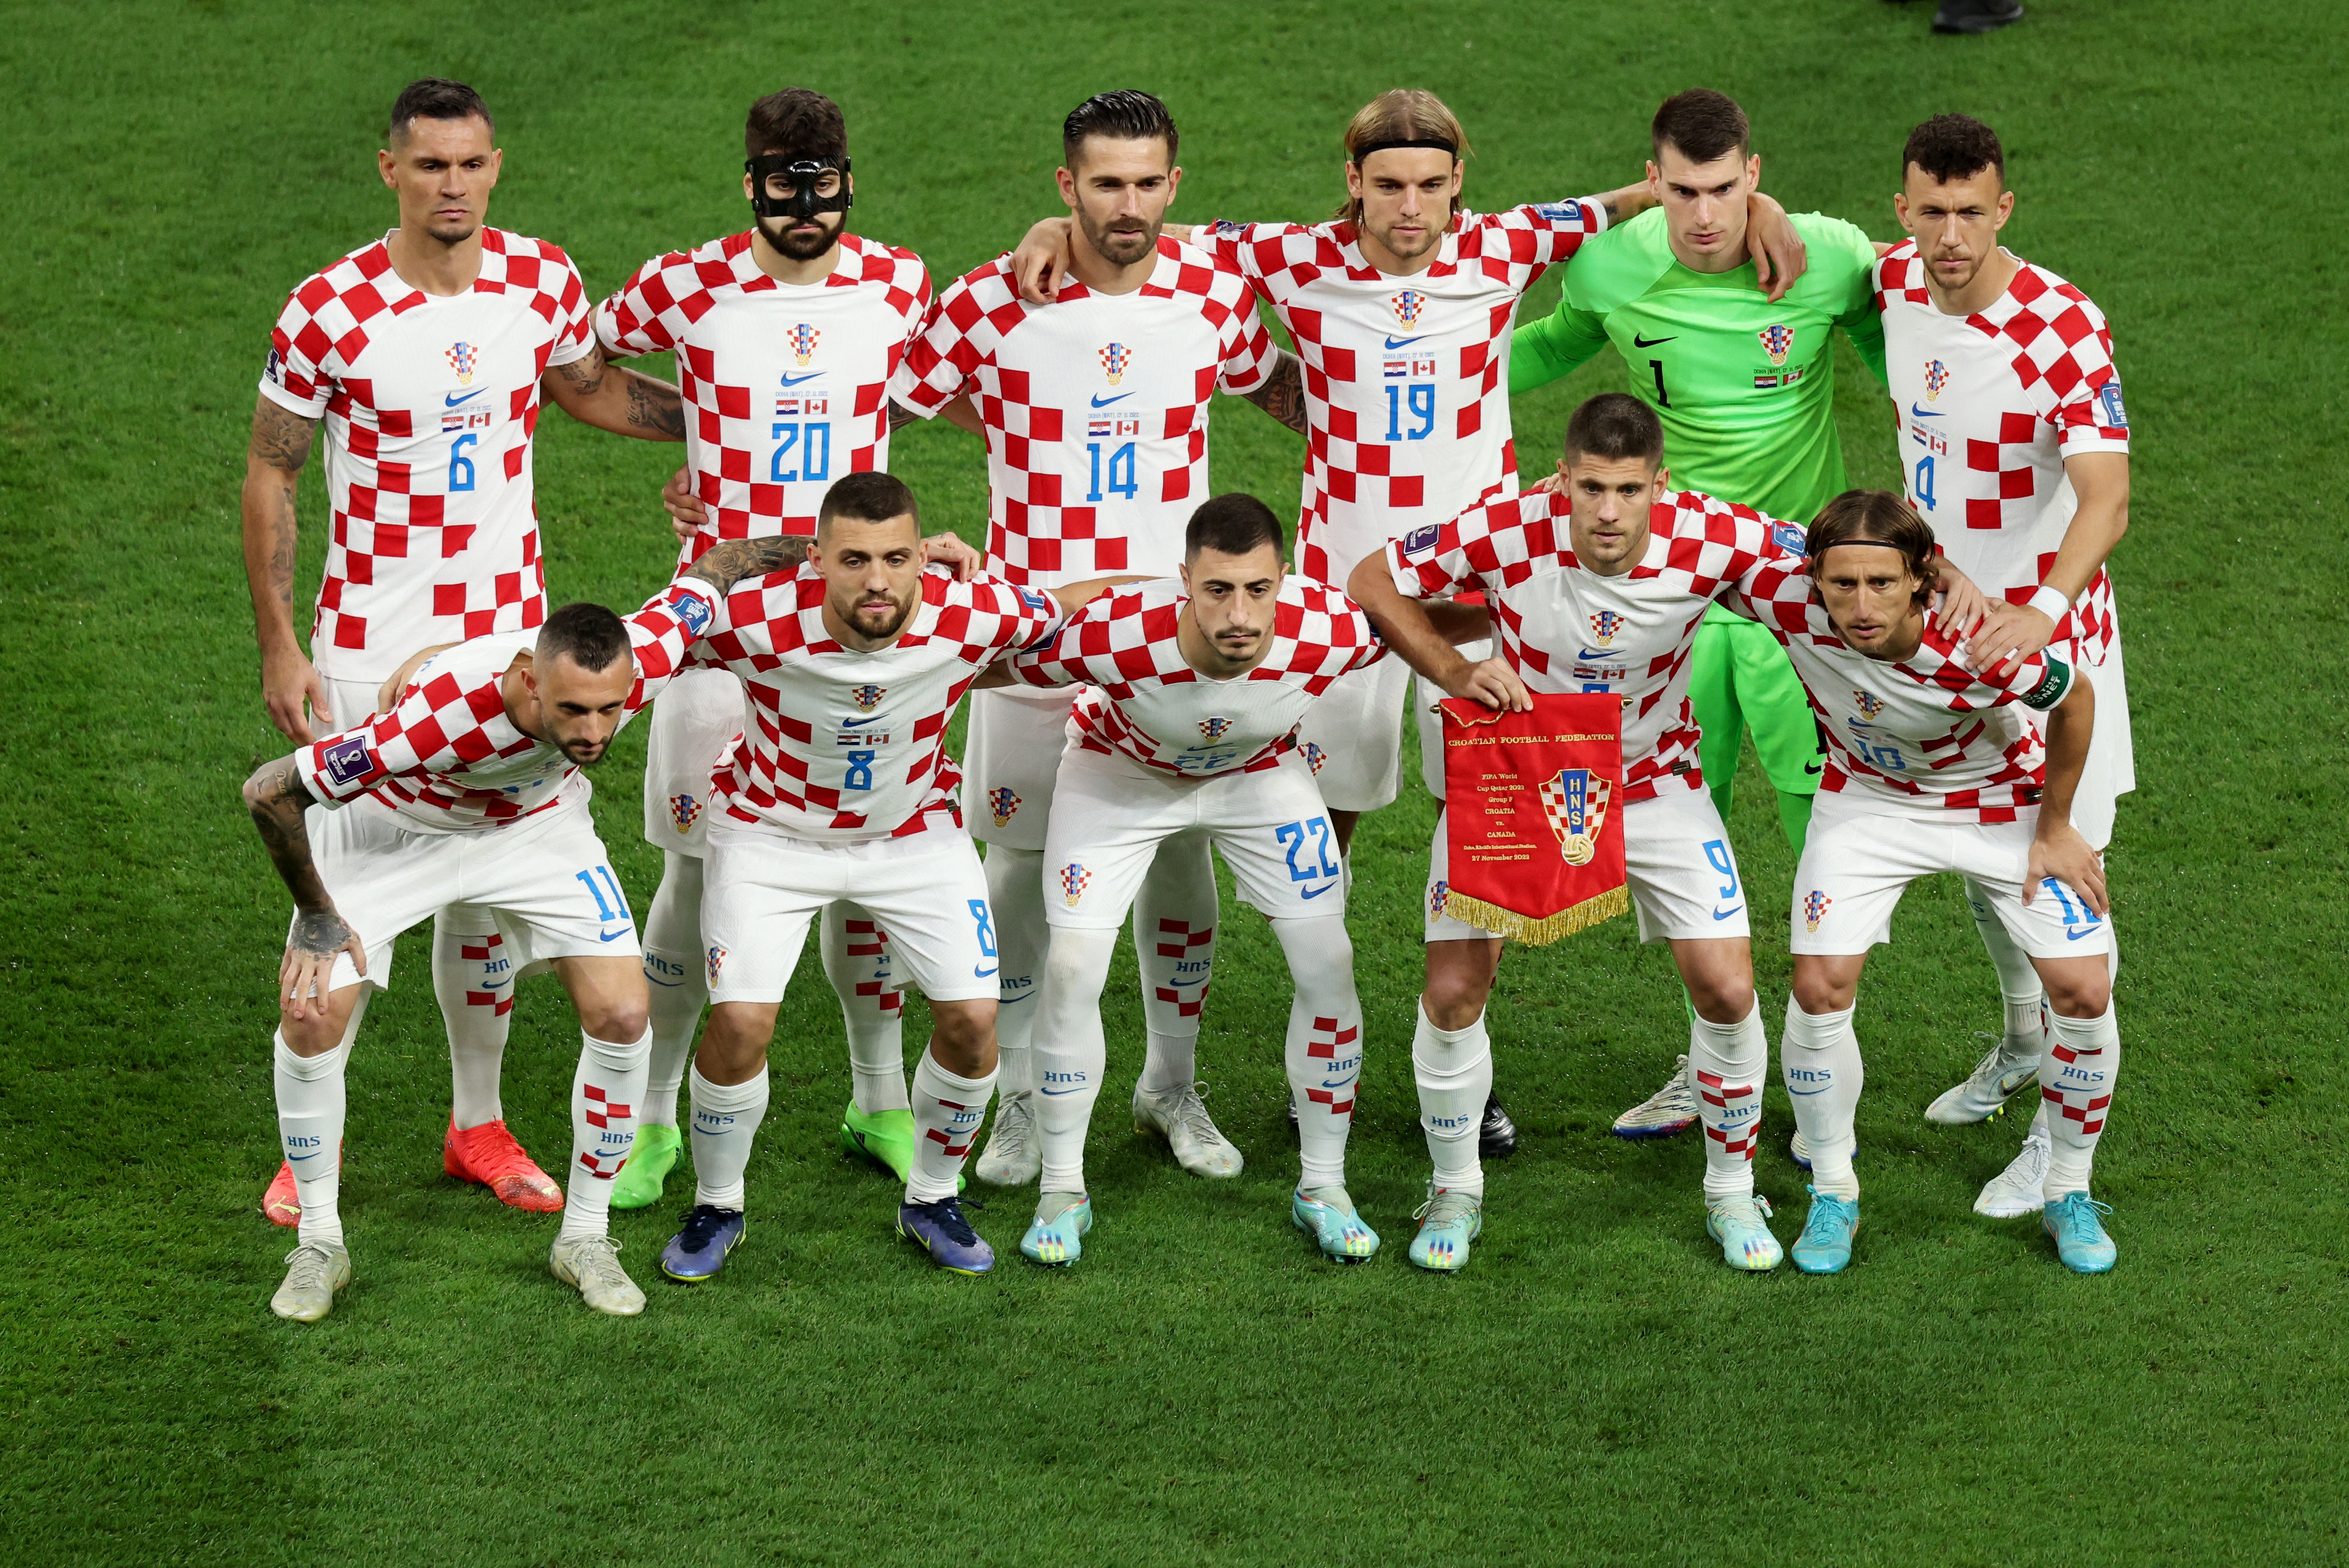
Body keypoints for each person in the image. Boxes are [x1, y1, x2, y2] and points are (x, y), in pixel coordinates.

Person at [1009, 88, 1793, 1156]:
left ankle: (1477, 1071)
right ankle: (1318, 1062)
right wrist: (1056, 227)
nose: (1410, 207)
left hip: (1476, 609)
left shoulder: (1509, 244)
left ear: (1458, 182)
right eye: (1388, 186)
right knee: (1316, 827)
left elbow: (1629, 197)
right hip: (1337, 607)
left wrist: (1767, 207)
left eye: (1430, 184)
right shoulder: (1293, 259)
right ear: (1354, 183)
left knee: (1490, 828)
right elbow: (1153, 230)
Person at [243, 78, 686, 1227]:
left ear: (497, 166)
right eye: (430, 165)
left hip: (508, 635)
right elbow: (274, 472)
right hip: (362, 650)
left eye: (472, 163)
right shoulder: (328, 308)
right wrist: (282, 640)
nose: (454, 184)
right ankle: (310, 1144)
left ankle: (476, 1124)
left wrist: (724, 416)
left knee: (484, 902)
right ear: (390, 169)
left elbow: (588, 389)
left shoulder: (540, 280)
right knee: (341, 901)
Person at [888, 92, 1303, 1192]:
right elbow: (880, 405)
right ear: (1064, 186)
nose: (1128, 205)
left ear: (1176, 184)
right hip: (1037, 642)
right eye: (1103, 183)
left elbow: (1290, 394)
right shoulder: (984, 301)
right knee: (1020, 873)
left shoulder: (1214, 289)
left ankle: (1171, 1083)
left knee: (1179, 848)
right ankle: (1022, 1097)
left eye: (1147, 182)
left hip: (1181, 642)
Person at [242, 533, 813, 1322]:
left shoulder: (635, 659)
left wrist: (815, 549)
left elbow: (709, 576)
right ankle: (320, 1243)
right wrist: (314, 915)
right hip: (405, 828)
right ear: (525, 680)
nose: (593, 731)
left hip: (535, 829)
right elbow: (271, 789)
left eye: (609, 709)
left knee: (623, 1010)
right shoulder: (438, 724)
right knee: (311, 1013)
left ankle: (584, 1236)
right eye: (572, 709)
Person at [595, 86, 985, 1207]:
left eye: (822, 187)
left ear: (848, 185)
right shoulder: (685, 283)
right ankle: (658, 1118)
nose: (803, 208)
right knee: (688, 866)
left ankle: (878, 1104)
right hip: (722, 629)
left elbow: (930, 378)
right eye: (783, 185)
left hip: (863, 616)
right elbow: (581, 361)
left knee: (871, 861)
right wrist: (699, 431)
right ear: (752, 184)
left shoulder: (901, 280)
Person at [1350, 393, 1842, 1273]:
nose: (1606, 512)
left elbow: (1841, 554)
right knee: (1454, 989)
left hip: (1654, 781)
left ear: (1661, 483)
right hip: (1519, 773)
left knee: (1728, 989)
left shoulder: (1712, 535)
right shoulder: (1507, 524)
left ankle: (1732, 1191)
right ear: (1560, 478)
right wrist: (1456, 668)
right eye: (1588, 489)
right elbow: (1371, 579)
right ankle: (1454, 1188)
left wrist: (1942, 574)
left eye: (1625, 489)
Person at [1509, 89, 1888, 1142]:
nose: (1705, 216)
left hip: (1801, 610)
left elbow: (1899, 353)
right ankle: (1705, 1059)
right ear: (1654, 178)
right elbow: (1544, 348)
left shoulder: (1825, 257)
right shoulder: (1612, 265)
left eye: (1725, 190)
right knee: (1687, 839)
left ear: (1753, 176)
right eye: (1683, 191)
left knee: (1838, 835)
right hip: (1669, 610)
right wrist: (1395, 387)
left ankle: (1827, 1088)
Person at [654, 473, 1126, 1281]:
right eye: (855, 560)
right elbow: (623, 643)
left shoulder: (973, 609)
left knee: (975, 1022)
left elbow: (1081, 601)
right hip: (770, 834)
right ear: (815, 561)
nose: (877, 581)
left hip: (912, 835)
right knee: (740, 1026)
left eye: (896, 558)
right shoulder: (754, 618)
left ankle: (932, 1198)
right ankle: (717, 1203)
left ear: (923, 558)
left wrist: (1197, 588)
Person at [975, 494, 1450, 1265]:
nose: (1239, 614)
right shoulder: (1118, 631)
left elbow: (1416, 624)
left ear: (1284, 581)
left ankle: (1322, 1186)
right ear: (1182, 584)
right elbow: (984, 657)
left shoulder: (1325, 629)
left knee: (1329, 962)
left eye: (1257, 589)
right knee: (1070, 966)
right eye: (1217, 590)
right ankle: (1061, 1190)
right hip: (1117, 776)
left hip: (1257, 776)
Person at [1730, 490, 2119, 1273]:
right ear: (1814, 579)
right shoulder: (1783, 596)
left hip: (1998, 804)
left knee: (2082, 991)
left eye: (1882, 583)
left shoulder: (1979, 641)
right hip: (1866, 803)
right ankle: (1833, 1192)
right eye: (1842, 585)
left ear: (1919, 579)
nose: (1860, 605)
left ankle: (2068, 1189)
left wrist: (2056, 826)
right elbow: (1702, 532)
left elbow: (2075, 699)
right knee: (1817, 984)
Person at [1872, 113, 2134, 1219]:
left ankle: (2058, 1152)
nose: (1948, 236)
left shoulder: (2060, 322)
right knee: (1986, 867)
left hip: (2050, 649)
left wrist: (2043, 607)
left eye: (1969, 212)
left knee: (2056, 884)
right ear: (1902, 211)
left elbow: (2106, 493)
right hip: (1943, 647)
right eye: (1929, 212)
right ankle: (2025, 1042)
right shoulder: (1888, 283)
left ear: (2003, 209)